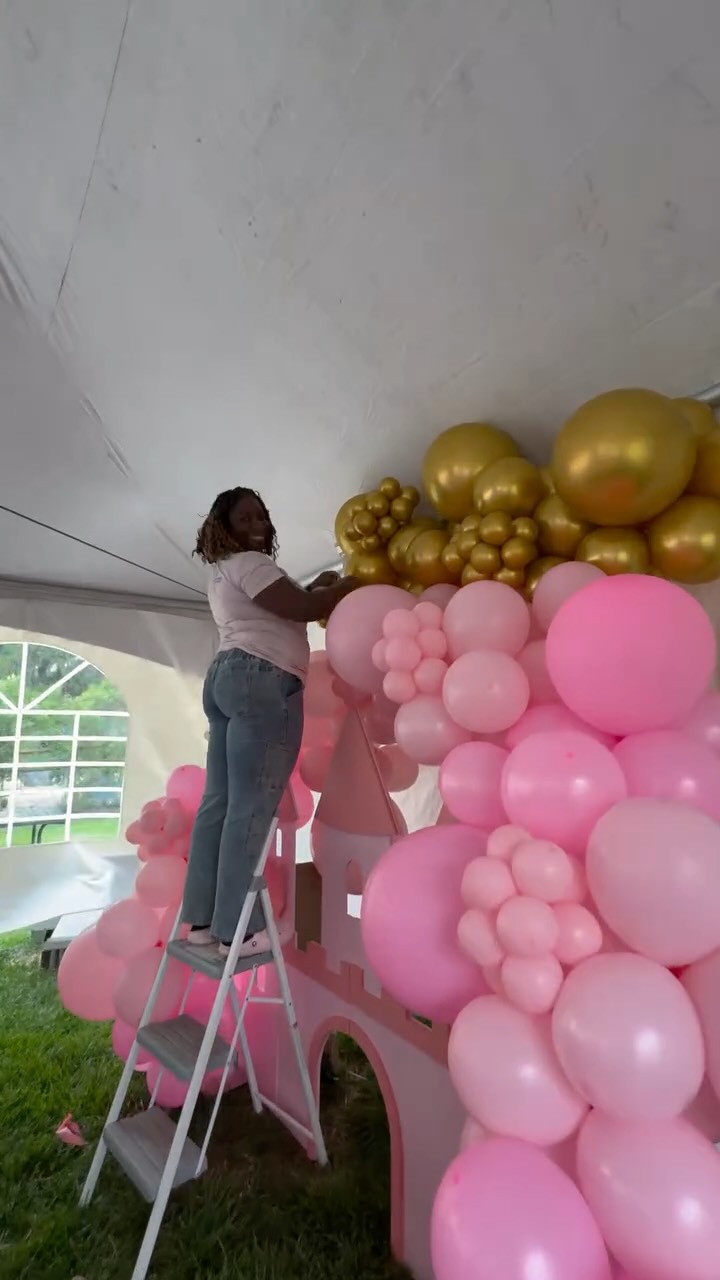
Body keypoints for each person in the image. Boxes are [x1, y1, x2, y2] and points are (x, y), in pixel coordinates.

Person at [182, 486, 356, 957]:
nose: (258, 524)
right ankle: (238, 931)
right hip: (261, 679)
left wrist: (319, 588)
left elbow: (290, 605)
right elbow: (306, 609)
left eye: (261, 516)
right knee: (250, 806)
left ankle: (202, 922)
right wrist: (350, 586)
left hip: (226, 677)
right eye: (245, 518)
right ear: (223, 526)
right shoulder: (252, 563)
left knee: (219, 804)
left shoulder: (224, 572)